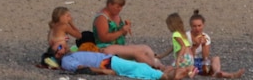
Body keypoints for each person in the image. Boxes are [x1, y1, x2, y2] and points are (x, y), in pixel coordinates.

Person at [93, 0, 166, 71]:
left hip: (119, 46)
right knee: (137, 52)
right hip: (106, 47)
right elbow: (104, 37)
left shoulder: (116, 15)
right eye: (117, 7)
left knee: (145, 48)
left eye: (121, 7)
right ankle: (155, 68)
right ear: (110, 5)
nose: (120, 9)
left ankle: (158, 65)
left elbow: (121, 35)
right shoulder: (102, 18)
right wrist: (121, 31)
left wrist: (125, 29)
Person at [49, 42, 192, 80]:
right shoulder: (66, 61)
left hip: (109, 59)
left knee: (136, 65)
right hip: (108, 63)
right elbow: (81, 68)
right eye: (58, 49)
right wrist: (105, 71)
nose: (62, 48)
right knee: (136, 68)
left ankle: (166, 73)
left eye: (61, 45)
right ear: (57, 55)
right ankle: (165, 76)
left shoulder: (70, 54)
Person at [187, 9, 245, 78]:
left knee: (216, 59)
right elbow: (187, 58)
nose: (197, 28)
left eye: (199, 26)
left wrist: (203, 45)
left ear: (203, 25)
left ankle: (217, 72)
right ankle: (229, 75)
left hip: (198, 63)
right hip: (186, 63)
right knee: (202, 68)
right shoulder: (186, 37)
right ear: (191, 26)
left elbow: (205, 57)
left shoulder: (205, 37)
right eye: (194, 26)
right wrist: (195, 46)